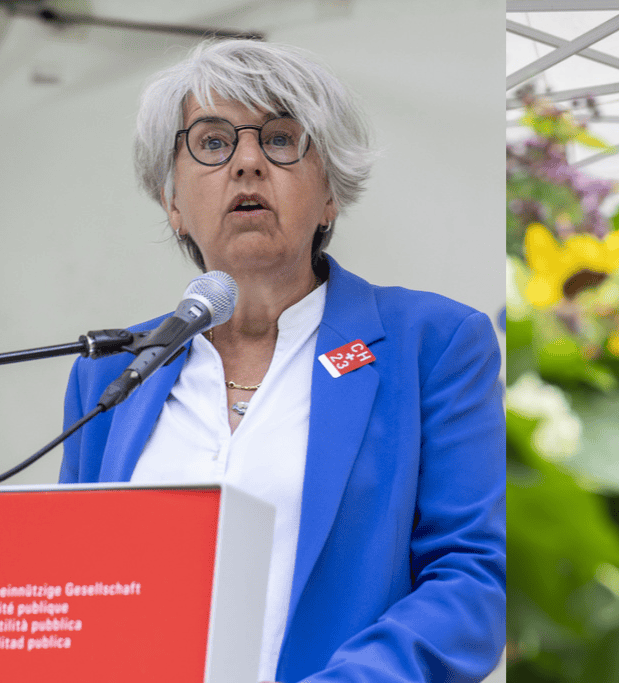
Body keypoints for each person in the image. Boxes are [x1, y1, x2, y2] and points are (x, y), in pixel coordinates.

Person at [58, 39, 505, 683]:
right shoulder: (109, 371)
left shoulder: (432, 345)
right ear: (172, 201)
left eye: (280, 139)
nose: (246, 163)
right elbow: (78, 593)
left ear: (331, 194)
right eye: (212, 143)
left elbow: (473, 578)